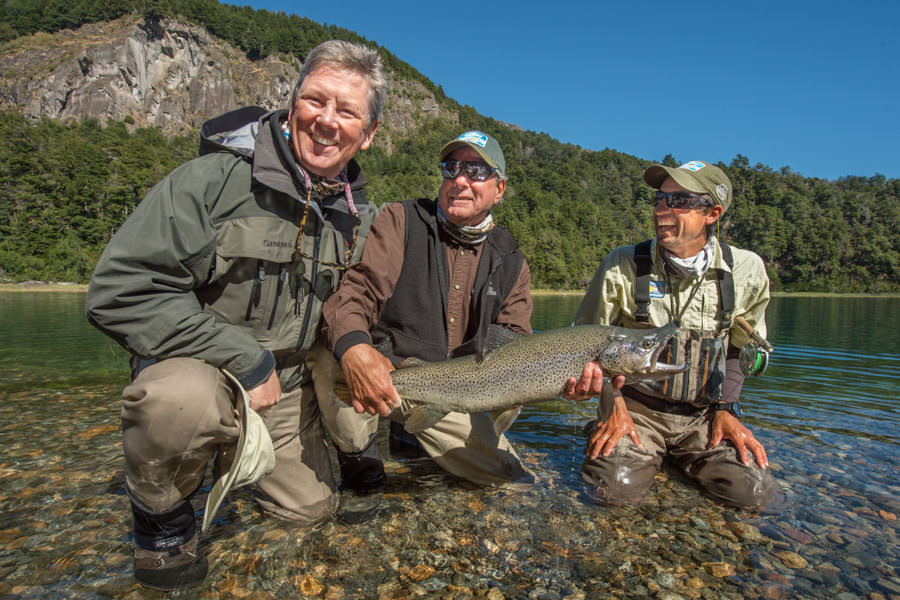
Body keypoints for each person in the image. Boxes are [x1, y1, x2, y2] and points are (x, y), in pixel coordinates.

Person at [84, 40, 387, 590]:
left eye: (347, 111)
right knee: (178, 401)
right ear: (292, 103)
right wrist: (245, 359)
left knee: (310, 514)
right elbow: (121, 291)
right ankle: (162, 522)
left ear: (367, 134)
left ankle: (234, 462)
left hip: (286, 388)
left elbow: (354, 304)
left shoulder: (356, 214)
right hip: (205, 370)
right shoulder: (211, 181)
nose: (327, 121)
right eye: (316, 101)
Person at [313, 131, 534, 516]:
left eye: (476, 171)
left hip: (456, 393)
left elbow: (518, 345)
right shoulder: (401, 220)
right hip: (388, 374)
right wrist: (355, 348)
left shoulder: (511, 260)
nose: (460, 180)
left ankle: (413, 440)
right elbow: (357, 293)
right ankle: (360, 465)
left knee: (512, 480)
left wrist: (558, 382)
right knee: (336, 346)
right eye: (452, 168)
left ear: (499, 189)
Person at [568, 160, 779, 509]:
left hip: (704, 417)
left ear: (712, 213)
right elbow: (586, 351)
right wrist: (614, 407)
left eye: (679, 201)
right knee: (612, 493)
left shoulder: (746, 270)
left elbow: (737, 350)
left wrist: (727, 409)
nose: (662, 209)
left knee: (755, 494)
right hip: (635, 410)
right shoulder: (621, 264)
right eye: (659, 199)